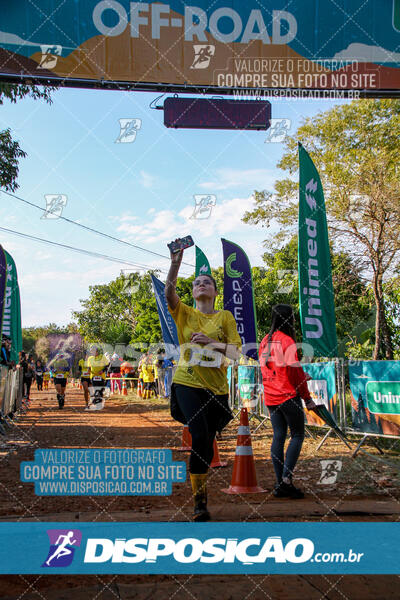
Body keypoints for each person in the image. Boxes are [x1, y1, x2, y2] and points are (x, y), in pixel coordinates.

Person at [165, 242, 241, 522]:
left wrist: (212, 342)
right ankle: (200, 503)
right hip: (187, 381)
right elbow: (169, 293)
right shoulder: (185, 313)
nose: (201, 285)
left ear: (215, 292)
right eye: (197, 282)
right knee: (198, 435)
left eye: (206, 282)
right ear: (193, 292)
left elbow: (235, 353)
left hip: (217, 388)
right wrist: (175, 263)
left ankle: (202, 490)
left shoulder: (225, 317)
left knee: (206, 443)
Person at [259, 304, 316, 500]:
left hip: (271, 397)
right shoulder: (288, 341)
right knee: (298, 434)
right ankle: (286, 480)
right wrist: (307, 398)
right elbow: (295, 373)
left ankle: (280, 482)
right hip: (288, 396)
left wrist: (300, 376)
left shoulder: (265, 341)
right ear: (290, 319)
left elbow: (274, 370)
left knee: (279, 436)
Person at [87, 346, 109, 410]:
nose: (92, 352)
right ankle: (97, 404)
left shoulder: (102, 357)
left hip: (101, 376)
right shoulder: (90, 358)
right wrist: (88, 371)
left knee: (101, 390)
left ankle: (97, 401)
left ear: (96, 351)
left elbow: (107, 365)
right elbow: (89, 367)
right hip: (93, 376)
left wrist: (103, 370)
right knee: (96, 389)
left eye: (93, 350)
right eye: (91, 351)